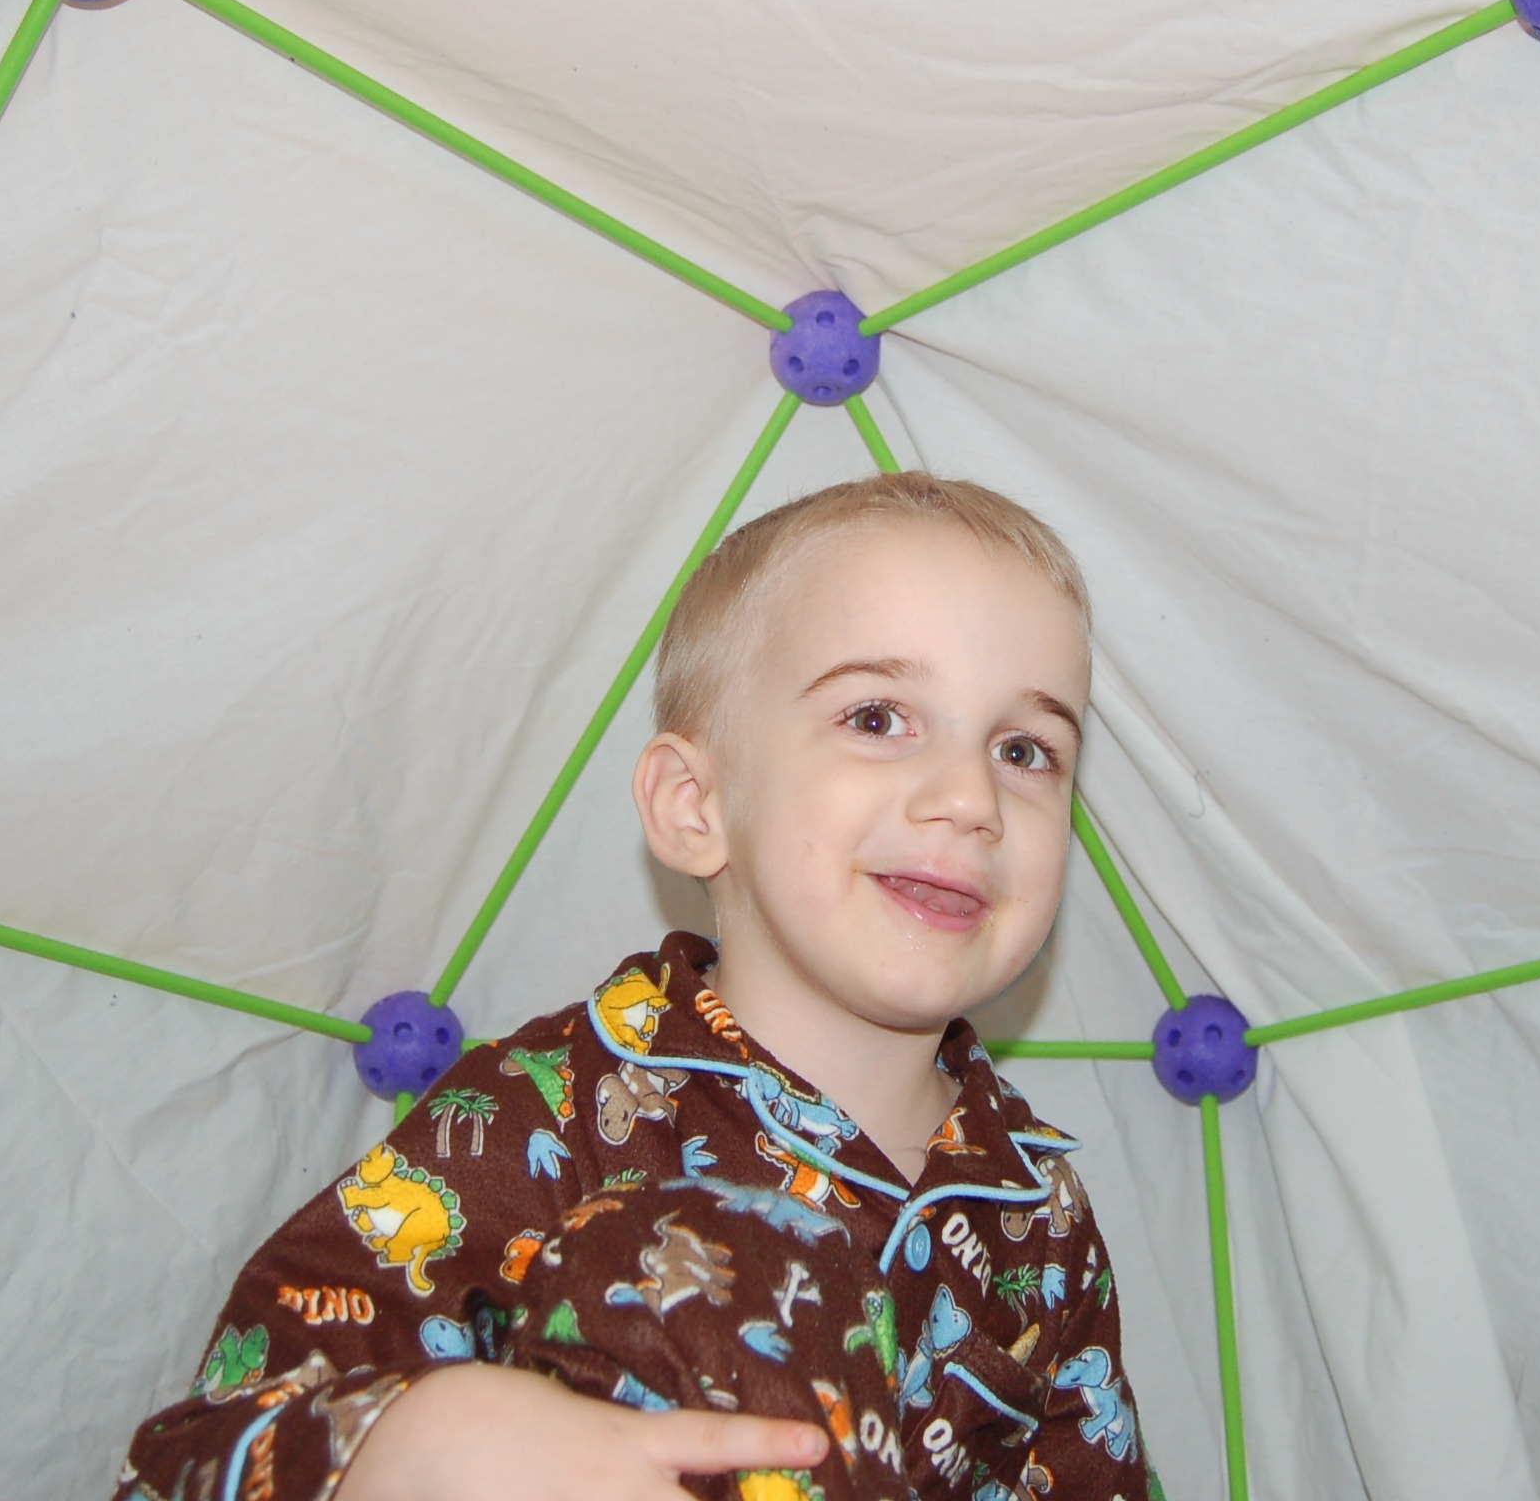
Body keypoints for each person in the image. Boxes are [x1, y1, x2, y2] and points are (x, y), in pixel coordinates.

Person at [111, 472, 1153, 1501]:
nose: (971, 797)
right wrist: (417, 1442)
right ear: (694, 805)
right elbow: (191, 1458)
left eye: (1025, 749)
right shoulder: (541, 1113)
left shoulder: (1043, 1213)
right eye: (878, 717)